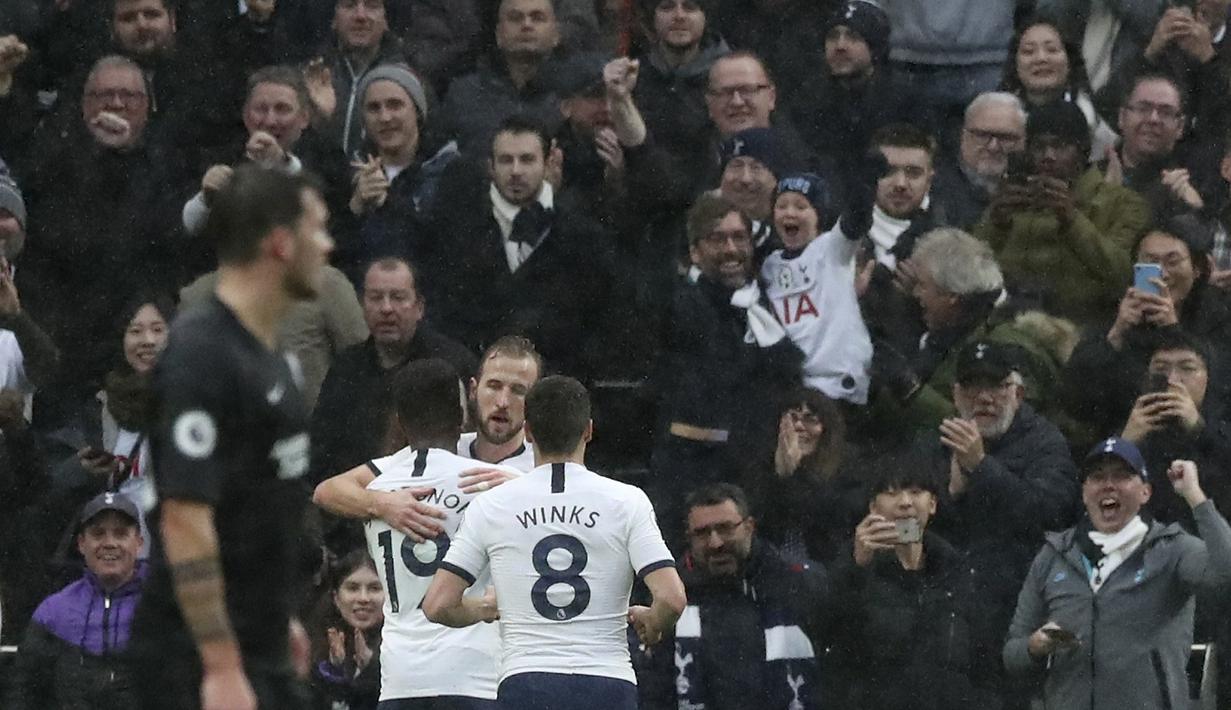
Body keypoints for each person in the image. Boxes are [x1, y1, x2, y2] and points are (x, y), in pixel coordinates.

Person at [129, 165, 334, 710]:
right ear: (281, 243)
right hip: (192, 659)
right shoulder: (200, 355)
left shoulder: (272, 359)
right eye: (318, 230)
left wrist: (276, 618)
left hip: (258, 643)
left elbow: (259, 508)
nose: (328, 245)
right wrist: (219, 666)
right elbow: (185, 517)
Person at [423, 376, 687, 709]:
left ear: (528, 432)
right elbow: (673, 598)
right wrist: (653, 622)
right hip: (606, 682)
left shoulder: (492, 505)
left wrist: (488, 607)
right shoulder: (627, 501)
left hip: (528, 682)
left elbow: (437, 605)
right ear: (588, 431)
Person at [1003, 440, 1231, 710]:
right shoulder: (1054, 555)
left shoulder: (1171, 548)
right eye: (1097, 477)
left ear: (1145, 492)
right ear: (1084, 493)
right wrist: (1034, 646)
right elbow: (1011, 654)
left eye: (1122, 475)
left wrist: (1194, 496)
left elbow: (1225, 570)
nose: (1108, 485)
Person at [361, 358, 522, 707]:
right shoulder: (487, 482)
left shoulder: (375, 493)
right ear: (461, 415)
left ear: (400, 421)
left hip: (400, 679)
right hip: (473, 674)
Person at [930, 340, 1079, 705]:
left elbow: (1049, 515)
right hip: (945, 618)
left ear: (1019, 393)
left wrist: (982, 468)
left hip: (1013, 616)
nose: (984, 398)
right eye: (971, 387)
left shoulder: (1046, 443)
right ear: (955, 394)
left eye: (996, 386)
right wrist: (951, 496)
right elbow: (915, 530)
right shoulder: (933, 444)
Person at [650, 192, 802, 544]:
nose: (731, 249)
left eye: (739, 238)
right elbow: (722, 373)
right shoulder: (685, 304)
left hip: (759, 474)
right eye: (718, 239)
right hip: (695, 473)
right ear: (695, 251)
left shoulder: (762, 302)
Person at [312, 335, 542, 550]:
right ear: (473, 390)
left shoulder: (542, 464)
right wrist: (381, 503)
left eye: (518, 391)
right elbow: (328, 492)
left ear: (535, 401)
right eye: (494, 386)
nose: (503, 401)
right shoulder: (443, 448)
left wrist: (526, 491)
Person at [423, 115, 610, 376]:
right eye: (506, 160)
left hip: (555, 387)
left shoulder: (582, 235)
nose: (516, 171)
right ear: (490, 167)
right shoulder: (460, 233)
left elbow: (596, 323)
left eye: (527, 159)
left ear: (548, 163)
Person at [867, 228, 1075, 441]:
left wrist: (911, 390)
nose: (916, 293)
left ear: (952, 296)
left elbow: (996, 434)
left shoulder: (1011, 348)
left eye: (922, 285)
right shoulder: (948, 334)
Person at [633, 483, 826, 710]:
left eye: (725, 528)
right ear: (689, 537)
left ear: (749, 527)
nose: (716, 543)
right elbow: (654, 686)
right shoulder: (669, 595)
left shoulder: (799, 583)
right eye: (702, 533)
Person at [828, 456, 997, 709]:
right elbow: (835, 644)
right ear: (873, 507)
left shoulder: (956, 571)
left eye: (916, 492)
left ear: (933, 505)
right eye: (891, 493)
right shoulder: (853, 568)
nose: (905, 503)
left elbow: (983, 663)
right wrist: (857, 569)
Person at [976, 99, 1149, 326]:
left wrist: (1072, 221)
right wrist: (995, 223)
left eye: (1060, 146)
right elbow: (970, 270)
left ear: (1082, 150)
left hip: (1081, 328)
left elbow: (1123, 276)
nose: (1048, 155)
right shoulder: (1011, 200)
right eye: (1039, 147)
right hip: (1006, 322)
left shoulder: (1122, 203)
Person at [1065, 214, 1231, 445]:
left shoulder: (1221, 315)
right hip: (1130, 439)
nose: (1162, 273)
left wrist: (1173, 330)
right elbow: (1076, 400)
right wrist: (1116, 334)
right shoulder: (1115, 315)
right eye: (1151, 262)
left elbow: (1220, 388)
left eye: (1173, 261)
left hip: (1201, 440)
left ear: (1197, 268)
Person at [310, 257, 477, 484]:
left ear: (419, 307)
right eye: (376, 298)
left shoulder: (451, 363)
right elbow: (322, 449)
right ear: (362, 304)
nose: (386, 308)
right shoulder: (345, 368)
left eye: (398, 298)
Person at [6, 492, 146, 710]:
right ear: (81, 544)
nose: (109, 543)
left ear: (139, 542)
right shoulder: (52, 612)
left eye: (120, 534)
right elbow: (23, 694)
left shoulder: (164, 608)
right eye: (98, 534)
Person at [336, 63, 457, 282]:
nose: (384, 117)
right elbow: (333, 258)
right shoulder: (349, 172)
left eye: (395, 105)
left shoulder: (452, 171)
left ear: (418, 112)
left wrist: (388, 203)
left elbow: (444, 254)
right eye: (373, 108)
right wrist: (354, 208)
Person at [761, 170, 874, 404]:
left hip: (839, 387)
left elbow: (856, 220)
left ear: (818, 215)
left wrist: (866, 183)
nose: (790, 212)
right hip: (796, 389)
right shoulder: (769, 266)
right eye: (782, 206)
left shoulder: (832, 249)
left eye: (801, 206)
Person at [787, 0, 921, 193]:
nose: (840, 46)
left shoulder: (905, 99)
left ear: (875, 48)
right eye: (833, 37)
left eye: (853, 37)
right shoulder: (808, 97)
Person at [1118, 331, 1231, 528]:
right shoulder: (1128, 430)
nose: (1172, 379)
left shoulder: (1222, 430)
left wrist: (1199, 430)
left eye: (1187, 368)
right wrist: (1124, 445)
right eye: (1161, 369)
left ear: (1208, 378)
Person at [426, 0, 565, 155]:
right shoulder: (464, 94)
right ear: (498, 34)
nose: (526, 25)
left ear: (556, 34)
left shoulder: (572, 92)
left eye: (537, 18)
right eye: (515, 18)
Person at [743, 387, 862, 566]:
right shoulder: (760, 464)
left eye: (810, 420)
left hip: (822, 565)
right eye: (792, 418)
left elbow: (828, 522)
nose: (799, 426)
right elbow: (759, 522)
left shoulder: (848, 469)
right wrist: (779, 476)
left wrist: (795, 475)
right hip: (770, 565)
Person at [1000, 18, 1119, 159]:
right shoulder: (996, 115)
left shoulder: (1094, 122)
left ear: (1069, 61)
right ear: (1015, 64)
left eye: (1051, 50)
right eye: (1029, 51)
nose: (1041, 58)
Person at [310, 0, 409, 157]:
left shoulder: (409, 80)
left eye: (372, 6)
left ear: (386, 20)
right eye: (349, 5)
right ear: (333, 19)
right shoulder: (310, 75)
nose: (361, 16)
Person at [932, 92, 1027, 231]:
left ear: (1024, 141)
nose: (993, 146)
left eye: (1006, 138)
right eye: (982, 135)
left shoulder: (1035, 187)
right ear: (963, 136)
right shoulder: (934, 187)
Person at [309, 551, 384, 710]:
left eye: (374, 588)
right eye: (353, 588)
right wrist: (334, 671)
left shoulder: (402, 651)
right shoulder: (312, 646)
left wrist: (371, 670)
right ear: (336, 598)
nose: (363, 598)